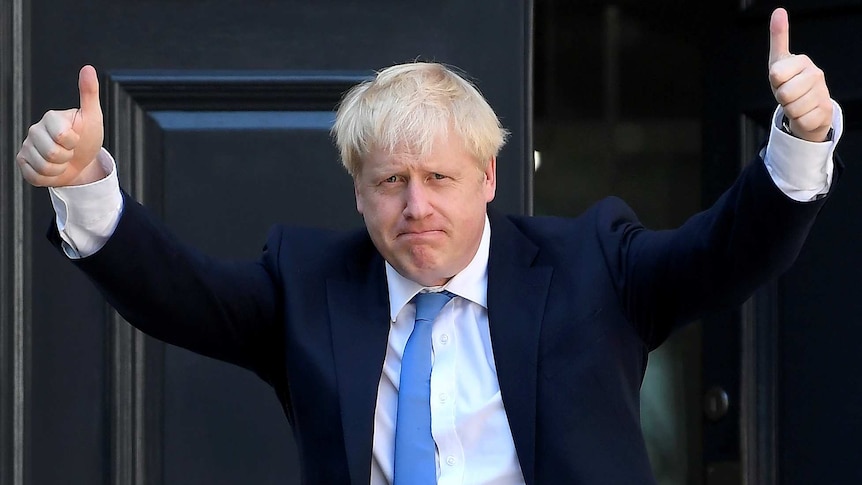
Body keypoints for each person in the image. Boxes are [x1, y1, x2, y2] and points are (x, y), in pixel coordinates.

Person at [15, 7, 842, 485]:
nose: (416, 206)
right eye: (391, 181)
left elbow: (724, 254)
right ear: (358, 190)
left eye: (440, 178)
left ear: (487, 177)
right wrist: (86, 181)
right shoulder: (308, 283)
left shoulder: (593, 265)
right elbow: (180, 294)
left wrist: (799, 138)